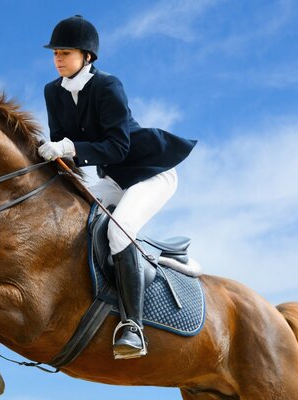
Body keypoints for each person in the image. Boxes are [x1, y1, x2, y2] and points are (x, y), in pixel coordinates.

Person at [39, 15, 196, 359]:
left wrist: (69, 148)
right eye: (55, 54)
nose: (58, 59)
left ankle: (133, 326)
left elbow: (118, 148)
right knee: (79, 224)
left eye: (65, 52)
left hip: (150, 171)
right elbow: (59, 147)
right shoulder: (53, 92)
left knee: (117, 233)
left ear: (87, 56)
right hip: (114, 177)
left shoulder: (108, 86)